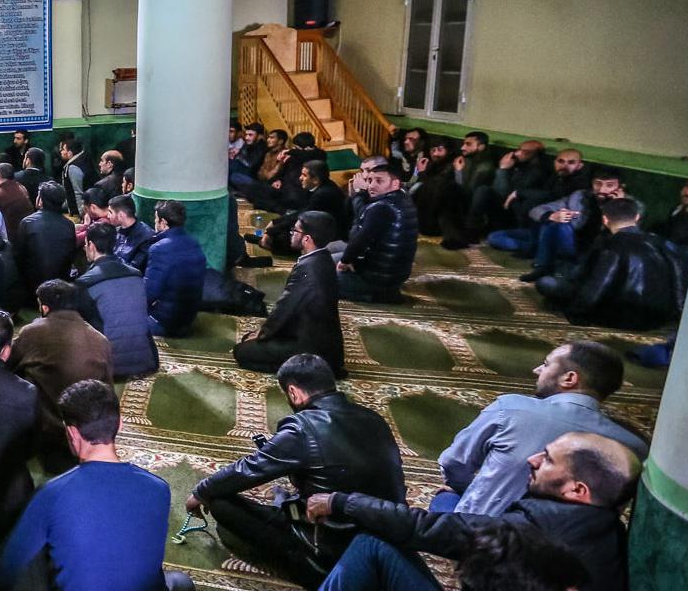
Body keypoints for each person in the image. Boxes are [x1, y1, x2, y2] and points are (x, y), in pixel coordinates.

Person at [308, 432, 640, 591]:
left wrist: (340, 502)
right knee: (448, 504)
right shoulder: (610, 528)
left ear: (577, 490)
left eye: (548, 459)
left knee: (372, 543)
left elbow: (422, 528)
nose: (533, 459)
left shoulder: (526, 535)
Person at [187, 354, 405, 588]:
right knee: (292, 496)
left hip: (332, 557)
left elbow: (248, 469)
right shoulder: (374, 418)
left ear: (293, 392)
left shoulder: (302, 428)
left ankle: (308, 564)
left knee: (220, 503)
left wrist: (201, 492)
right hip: (390, 542)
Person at [0, 380, 179, 591]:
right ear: (119, 423)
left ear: (72, 433)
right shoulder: (159, 488)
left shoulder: (52, 493)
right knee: (179, 580)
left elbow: (7, 571)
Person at [436, 341, 649, 516]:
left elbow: (454, 463)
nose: (536, 370)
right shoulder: (634, 448)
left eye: (546, 365)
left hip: (479, 534)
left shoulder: (510, 408)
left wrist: (464, 488)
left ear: (569, 378)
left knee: (446, 497)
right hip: (563, 547)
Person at [9, 280, 113, 472]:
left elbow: (8, 366)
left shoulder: (32, 332)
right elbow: (108, 390)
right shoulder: (100, 339)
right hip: (90, 432)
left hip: (48, 431)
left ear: (44, 307)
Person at [535, 198, 685, 330]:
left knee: (547, 282)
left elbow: (597, 286)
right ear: (637, 217)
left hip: (619, 316)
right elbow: (679, 277)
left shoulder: (610, 246)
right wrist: (679, 313)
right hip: (657, 318)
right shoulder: (662, 242)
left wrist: (576, 313)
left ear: (605, 220)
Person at [236, 212, 345, 377]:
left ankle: (311, 370)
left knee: (242, 351)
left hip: (309, 345)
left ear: (307, 239)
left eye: (295, 231)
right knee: (249, 340)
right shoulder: (323, 259)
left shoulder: (309, 270)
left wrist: (262, 334)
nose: (291, 233)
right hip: (319, 338)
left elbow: (285, 309)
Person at [502, 168, 625, 282]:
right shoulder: (580, 196)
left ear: (620, 187)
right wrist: (552, 215)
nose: (602, 189)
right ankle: (542, 267)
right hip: (572, 242)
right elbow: (536, 210)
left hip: (596, 252)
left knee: (555, 283)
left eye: (609, 185)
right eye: (598, 184)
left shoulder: (629, 206)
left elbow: (623, 235)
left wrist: (617, 205)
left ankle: (561, 267)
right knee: (553, 223)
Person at [75, 223, 157, 379]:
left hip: (110, 366)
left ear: (91, 245)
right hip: (146, 360)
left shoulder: (85, 283)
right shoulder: (136, 274)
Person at [338, 165, 419, 303]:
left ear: (395, 183)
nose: (371, 186)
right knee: (327, 258)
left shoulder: (382, 207)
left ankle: (373, 296)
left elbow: (359, 237)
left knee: (319, 276)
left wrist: (345, 261)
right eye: (370, 181)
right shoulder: (403, 198)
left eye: (379, 181)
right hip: (391, 276)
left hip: (375, 279)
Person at [145, 200, 206, 338]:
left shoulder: (159, 249)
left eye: (156, 219)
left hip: (164, 322)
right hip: (188, 318)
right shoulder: (194, 242)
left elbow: (149, 293)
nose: (154, 223)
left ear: (163, 222)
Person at [15, 182, 77, 294]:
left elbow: (19, 256)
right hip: (61, 284)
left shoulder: (27, 223)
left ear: (40, 201)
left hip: (32, 286)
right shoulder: (69, 225)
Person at [108, 194, 157, 271]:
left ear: (121, 215)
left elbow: (135, 267)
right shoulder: (116, 231)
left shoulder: (146, 237)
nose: (108, 216)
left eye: (110, 212)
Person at [58, 138, 94, 217]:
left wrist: (82, 215)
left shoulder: (73, 167)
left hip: (78, 213)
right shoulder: (85, 160)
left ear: (70, 153)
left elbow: (78, 193)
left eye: (63, 149)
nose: (61, 152)